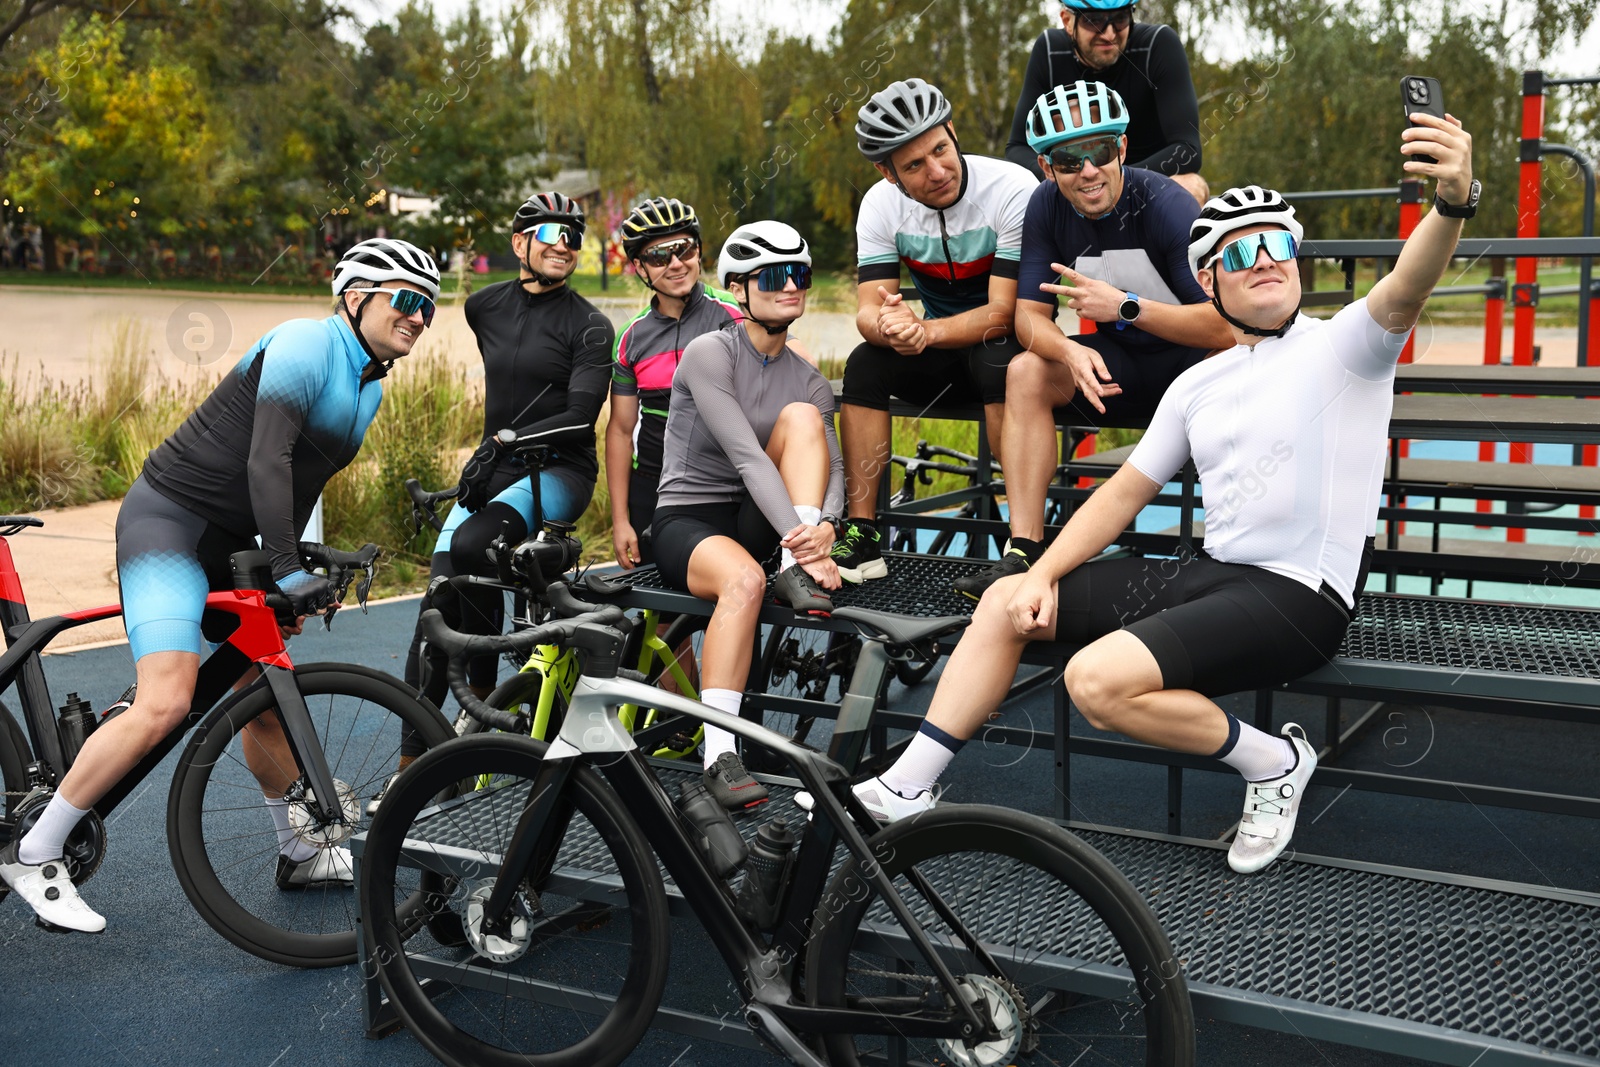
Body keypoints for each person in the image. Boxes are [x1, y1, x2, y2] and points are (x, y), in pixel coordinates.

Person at [809, 114, 1477, 876]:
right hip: (1217, 573)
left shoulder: (1347, 346)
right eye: (1242, 252)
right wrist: (1037, 573)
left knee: (1097, 680)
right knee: (1003, 601)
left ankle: (1273, 761)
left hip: (1300, 593)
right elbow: (1120, 495)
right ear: (1209, 280)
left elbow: (1407, 284)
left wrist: (1451, 203)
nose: (1266, 261)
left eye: (1278, 245)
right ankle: (906, 785)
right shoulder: (1199, 381)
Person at [0, 238, 442, 932]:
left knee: (260, 688)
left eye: (432, 308)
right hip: (171, 521)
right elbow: (268, 455)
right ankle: (36, 849)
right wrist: (287, 567)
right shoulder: (304, 342)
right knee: (166, 699)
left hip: (231, 543)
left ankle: (297, 847)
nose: (420, 317)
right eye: (408, 300)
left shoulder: (370, 384)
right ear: (356, 297)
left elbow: (301, 479)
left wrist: (300, 556)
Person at [952, 80, 1233, 601]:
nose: (1087, 170)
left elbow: (1224, 326)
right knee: (1025, 369)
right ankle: (1024, 552)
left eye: (1100, 151)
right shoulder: (1044, 207)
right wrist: (1069, 349)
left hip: (1194, 374)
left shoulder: (1165, 204)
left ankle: (1233, 563)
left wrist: (1124, 306)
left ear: (1121, 148)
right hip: (1119, 369)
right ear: (1046, 167)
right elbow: (1028, 319)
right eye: (1067, 159)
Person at [401, 193, 613, 746]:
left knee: (473, 547)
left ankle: (480, 721)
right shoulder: (485, 306)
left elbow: (578, 419)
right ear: (520, 243)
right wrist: (496, 449)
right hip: (494, 468)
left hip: (561, 471)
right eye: (550, 234)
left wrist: (503, 440)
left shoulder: (590, 325)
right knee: (437, 609)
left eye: (573, 236)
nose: (564, 245)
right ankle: (409, 764)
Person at [652, 221, 845, 810]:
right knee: (743, 581)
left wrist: (827, 528)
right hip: (689, 518)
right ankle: (719, 757)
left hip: (763, 520)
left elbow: (833, 468)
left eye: (801, 275)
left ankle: (794, 565)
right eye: (774, 276)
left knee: (804, 421)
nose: (791, 286)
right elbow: (746, 458)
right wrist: (807, 541)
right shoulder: (710, 352)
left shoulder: (808, 378)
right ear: (738, 288)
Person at [833, 77, 1038, 585]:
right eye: (914, 166)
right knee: (864, 364)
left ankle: (1023, 542)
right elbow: (866, 311)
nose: (938, 171)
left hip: (1000, 346)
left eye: (941, 149)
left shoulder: (1012, 189)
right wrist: (891, 325)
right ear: (887, 172)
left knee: (1000, 358)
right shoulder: (880, 205)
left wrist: (924, 332)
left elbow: (1004, 313)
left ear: (952, 130)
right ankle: (862, 535)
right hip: (940, 351)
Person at [607, 197, 743, 569]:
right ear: (639, 267)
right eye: (658, 256)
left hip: (725, 485)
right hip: (651, 483)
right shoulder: (630, 338)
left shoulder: (737, 315)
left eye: (684, 249)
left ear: (699, 251)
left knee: (732, 598)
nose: (676, 264)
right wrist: (620, 521)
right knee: (662, 613)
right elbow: (620, 430)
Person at [1005, 0, 1208, 205]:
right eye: (1093, 21)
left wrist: (1115, 180)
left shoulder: (1158, 44)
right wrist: (1060, 178)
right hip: (1078, 183)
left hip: (1143, 185)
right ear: (1067, 21)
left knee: (1191, 185)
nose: (1109, 33)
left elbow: (1188, 150)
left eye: (1120, 19)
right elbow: (1016, 147)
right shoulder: (1050, 51)